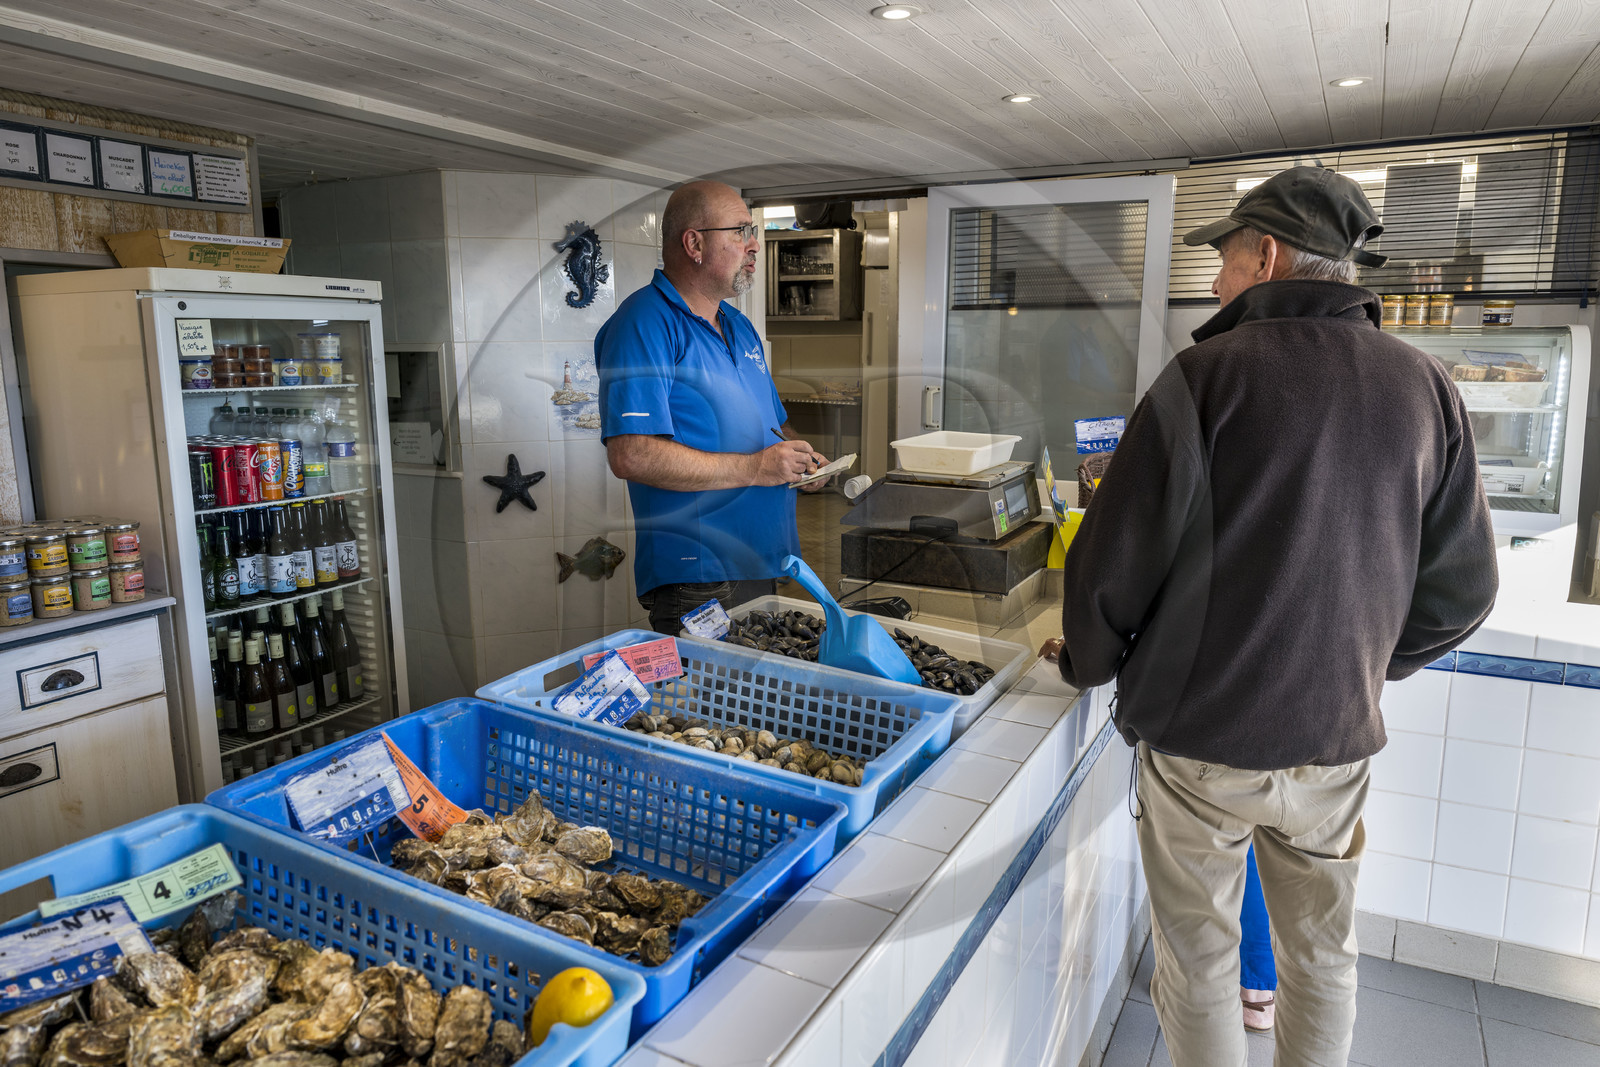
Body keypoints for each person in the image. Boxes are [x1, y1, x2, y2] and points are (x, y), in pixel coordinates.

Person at [1040, 166, 1498, 1067]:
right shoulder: (1425, 387)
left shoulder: (1205, 377)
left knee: (1200, 955)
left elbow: (1113, 564)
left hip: (1200, 740)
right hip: (1335, 742)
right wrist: (1370, 664)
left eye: (1223, 260)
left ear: (1269, 254)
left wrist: (1086, 660)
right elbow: (1466, 590)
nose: (1214, 283)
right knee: (1323, 957)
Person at [597, 180, 828, 635]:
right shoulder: (643, 323)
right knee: (706, 706)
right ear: (694, 243)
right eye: (740, 231)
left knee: (757, 704)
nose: (755, 245)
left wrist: (800, 461)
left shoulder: (737, 324)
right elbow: (632, 455)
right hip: (700, 575)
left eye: (752, 230)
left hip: (761, 558)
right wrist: (757, 468)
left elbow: (772, 425)